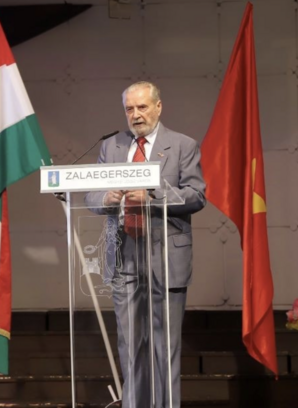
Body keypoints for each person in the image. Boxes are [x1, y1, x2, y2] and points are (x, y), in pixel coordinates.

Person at [84, 81, 206, 408]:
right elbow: (91, 196)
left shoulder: (183, 145)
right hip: (124, 259)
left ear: (158, 107)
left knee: (165, 347)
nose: (136, 115)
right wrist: (106, 198)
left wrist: (153, 196)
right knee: (130, 345)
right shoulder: (111, 147)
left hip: (165, 257)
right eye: (129, 109)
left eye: (142, 107)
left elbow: (197, 196)